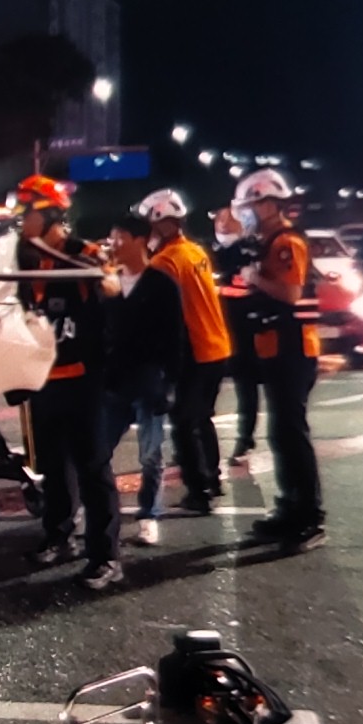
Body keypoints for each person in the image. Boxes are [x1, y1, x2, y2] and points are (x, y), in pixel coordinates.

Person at [10, 175, 123, 589]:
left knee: (93, 468)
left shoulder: (83, 254)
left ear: (49, 213)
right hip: (44, 381)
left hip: (83, 381)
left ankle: (105, 556)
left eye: (27, 213)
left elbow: (112, 287)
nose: (21, 221)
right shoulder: (24, 259)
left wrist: (101, 278)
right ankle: (59, 535)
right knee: (53, 467)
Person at [233, 170, 327, 548]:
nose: (246, 213)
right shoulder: (267, 242)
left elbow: (289, 293)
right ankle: (290, 508)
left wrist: (254, 278)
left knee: (291, 432)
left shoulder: (287, 242)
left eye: (251, 205)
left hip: (293, 349)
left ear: (270, 204)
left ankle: (309, 516)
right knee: (280, 434)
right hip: (275, 348)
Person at [135, 189, 233, 515]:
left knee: (183, 422)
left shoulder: (165, 261)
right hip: (217, 344)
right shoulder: (194, 250)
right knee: (202, 418)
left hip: (194, 348)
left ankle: (199, 491)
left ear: (163, 224)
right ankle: (212, 479)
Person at [103, 215, 187, 547]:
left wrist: (171, 383)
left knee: (150, 455)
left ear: (140, 240)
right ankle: (99, 513)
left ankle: (149, 514)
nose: (113, 244)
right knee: (99, 451)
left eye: (119, 237)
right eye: (111, 238)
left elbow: (175, 337)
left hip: (149, 380)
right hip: (113, 382)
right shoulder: (107, 283)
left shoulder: (161, 285)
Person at [212, 205, 264, 466]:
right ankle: (195, 444)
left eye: (229, 218)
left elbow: (247, 287)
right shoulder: (209, 249)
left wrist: (218, 288)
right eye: (219, 219)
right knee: (205, 389)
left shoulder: (250, 250)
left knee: (246, 385)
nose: (222, 223)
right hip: (215, 328)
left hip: (242, 328)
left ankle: (245, 437)